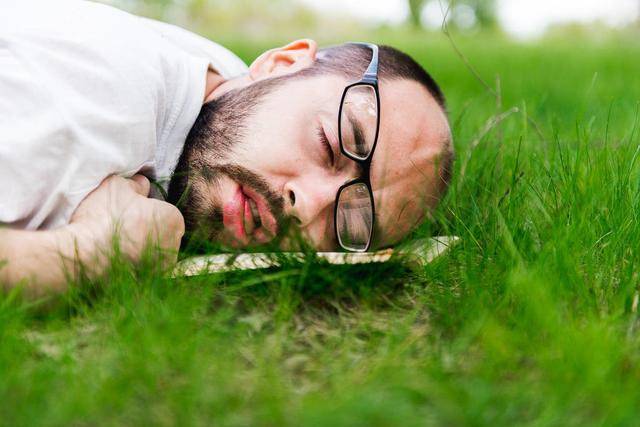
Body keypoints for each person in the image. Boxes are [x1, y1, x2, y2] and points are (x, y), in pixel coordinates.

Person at [0, 0, 453, 295]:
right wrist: (93, 251)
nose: (307, 205)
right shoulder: (98, 102)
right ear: (281, 62)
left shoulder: (222, 80)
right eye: (329, 145)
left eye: (347, 223)